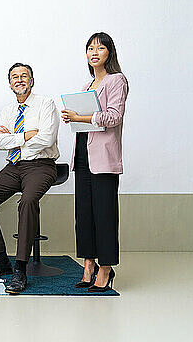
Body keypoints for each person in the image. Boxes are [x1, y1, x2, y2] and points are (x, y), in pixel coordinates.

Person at [0, 63, 59, 294]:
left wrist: (14, 138)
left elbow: (47, 139)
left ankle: (20, 268)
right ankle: (2, 259)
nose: (19, 80)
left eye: (24, 76)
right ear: (10, 83)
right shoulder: (8, 110)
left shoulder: (45, 104)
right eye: (14, 77)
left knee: (28, 201)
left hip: (41, 165)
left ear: (32, 80)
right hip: (14, 166)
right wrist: (25, 136)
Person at [61, 32, 128, 292]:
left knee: (105, 215)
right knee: (85, 214)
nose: (94, 52)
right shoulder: (88, 84)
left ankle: (105, 268)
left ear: (109, 52)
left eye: (100, 48)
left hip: (104, 158)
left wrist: (84, 117)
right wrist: (73, 118)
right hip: (82, 154)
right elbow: (88, 118)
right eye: (90, 48)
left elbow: (114, 117)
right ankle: (88, 264)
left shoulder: (116, 80)